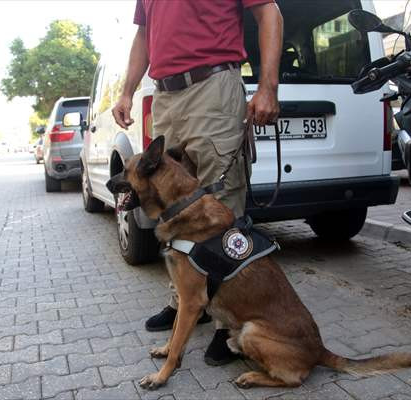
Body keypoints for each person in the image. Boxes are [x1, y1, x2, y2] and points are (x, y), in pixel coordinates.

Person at [112, 0, 283, 365]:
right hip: (164, 94)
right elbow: (143, 34)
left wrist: (268, 86)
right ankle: (187, 303)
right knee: (172, 205)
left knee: (222, 203)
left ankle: (228, 323)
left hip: (213, 85)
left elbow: (269, 11)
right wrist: (128, 89)